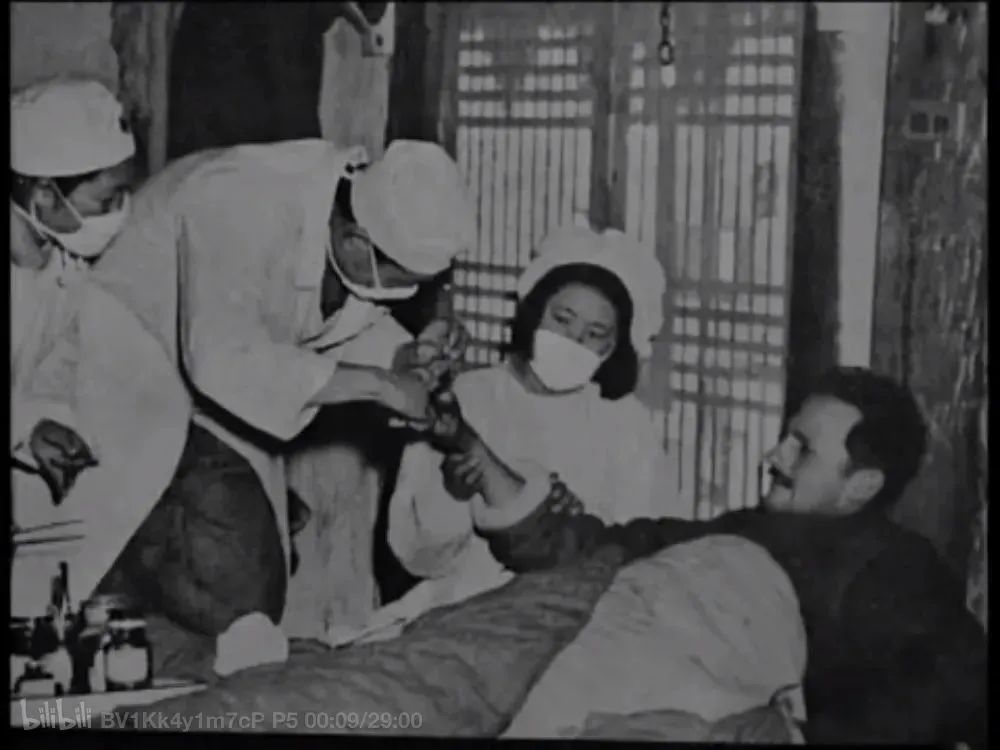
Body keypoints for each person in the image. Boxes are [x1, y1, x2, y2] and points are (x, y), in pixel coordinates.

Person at [12, 138, 476, 678]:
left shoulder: (348, 218)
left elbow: (334, 316)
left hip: (207, 404)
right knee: (87, 584)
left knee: (246, 599)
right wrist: (380, 385)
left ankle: (155, 665)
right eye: (403, 284)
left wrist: (404, 359)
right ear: (356, 242)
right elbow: (222, 358)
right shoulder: (238, 200)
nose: (403, 299)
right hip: (115, 376)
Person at [415, 366, 987, 745]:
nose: (773, 455)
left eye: (802, 449)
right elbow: (601, 549)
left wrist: (777, 732)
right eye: (785, 437)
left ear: (860, 486)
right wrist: (477, 454)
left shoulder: (895, 568)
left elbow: (953, 689)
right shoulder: (747, 529)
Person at [332, 223, 684, 645]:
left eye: (594, 335)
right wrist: (455, 495)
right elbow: (418, 558)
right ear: (534, 315)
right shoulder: (467, 398)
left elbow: (650, 550)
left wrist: (573, 527)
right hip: (467, 612)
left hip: (580, 620)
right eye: (562, 320)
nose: (573, 340)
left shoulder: (628, 426)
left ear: (611, 349)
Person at [9, 77, 136, 619]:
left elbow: (56, 358)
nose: (120, 210)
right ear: (43, 195)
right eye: (106, 200)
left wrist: (41, 422)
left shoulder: (64, 263)